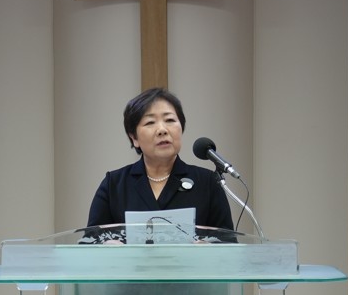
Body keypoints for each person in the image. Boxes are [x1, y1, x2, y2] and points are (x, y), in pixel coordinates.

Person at [84, 86, 236, 242]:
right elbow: (89, 242)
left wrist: (208, 248)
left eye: (170, 120)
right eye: (150, 122)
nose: (162, 130)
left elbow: (229, 244)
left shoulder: (208, 183)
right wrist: (107, 246)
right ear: (134, 138)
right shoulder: (114, 184)